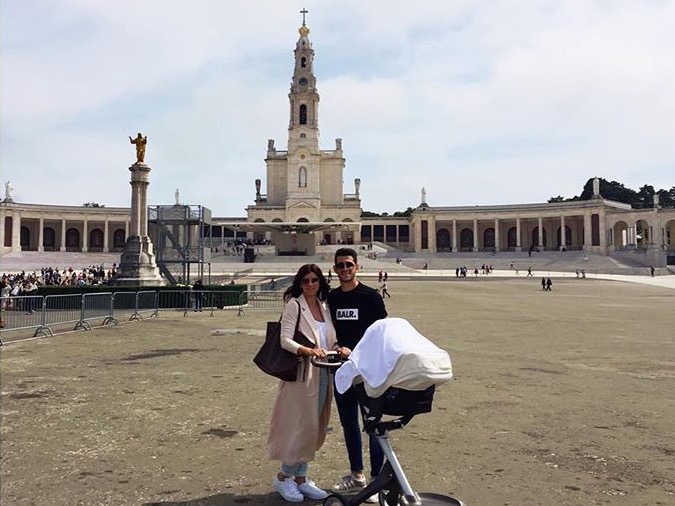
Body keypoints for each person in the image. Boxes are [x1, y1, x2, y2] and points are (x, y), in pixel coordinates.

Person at [267, 264, 336, 503]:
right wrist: (308, 350)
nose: (310, 285)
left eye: (314, 280)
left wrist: (338, 347)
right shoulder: (294, 305)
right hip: (302, 375)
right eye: (305, 281)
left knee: (314, 426)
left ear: (320, 282)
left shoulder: (324, 307)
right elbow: (285, 340)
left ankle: (301, 478)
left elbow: (329, 339)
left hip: (323, 373)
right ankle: (283, 476)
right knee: (298, 426)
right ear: (299, 283)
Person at [328, 247, 387, 501]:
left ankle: (376, 480)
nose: (345, 269)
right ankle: (357, 475)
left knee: (372, 423)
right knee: (349, 423)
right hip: (342, 370)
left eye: (349, 265)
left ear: (357, 267)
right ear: (335, 269)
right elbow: (328, 330)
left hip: (367, 370)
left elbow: (382, 334)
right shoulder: (332, 298)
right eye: (340, 265)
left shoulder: (371, 297)